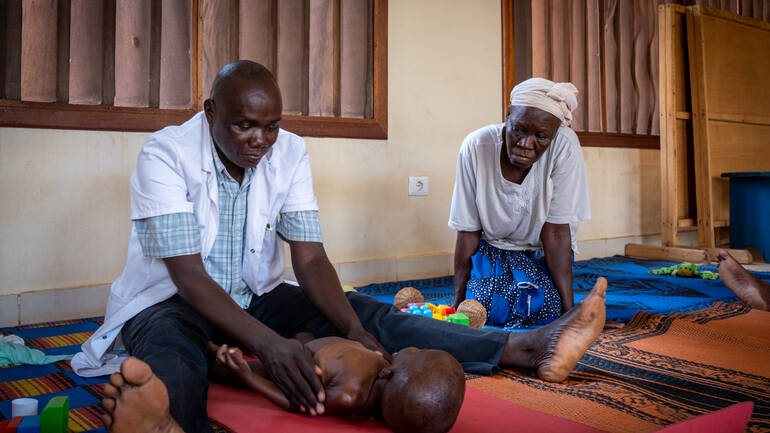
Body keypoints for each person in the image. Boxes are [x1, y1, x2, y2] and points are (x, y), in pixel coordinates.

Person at [74, 60, 607, 433]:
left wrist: (352, 329)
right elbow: (188, 275)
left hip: (255, 293)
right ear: (210, 111)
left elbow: (309, 257)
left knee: (370, 314)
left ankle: (524, 347)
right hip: (174, 299)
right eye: (244, 126)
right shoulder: (165, 153)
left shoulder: (289, 152)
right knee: (169, 351)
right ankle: (168, 424)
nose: (260, 141)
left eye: (271, 127)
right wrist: (272, 345)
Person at [449, 78, 590, 329]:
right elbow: (468, 230)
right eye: (519, 130)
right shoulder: (476, 146)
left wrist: (569, 313)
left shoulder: (565, 146)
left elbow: (556, 232)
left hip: (542, 252)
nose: (526, 144)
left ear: (554, 135)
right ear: (507, 118)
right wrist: (457, 305)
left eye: (541, 136)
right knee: (485, 306)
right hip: (493, 249)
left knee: (545, 308)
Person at [208, 336, 465, 433]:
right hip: (305, 344)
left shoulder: (348, 396)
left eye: (418, 352)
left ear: (389, 374)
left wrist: (248, 377)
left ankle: (207, 348)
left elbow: (294, 402)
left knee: (221, 365)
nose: (414, 348)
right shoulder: (384, 369)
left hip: (289, 366)